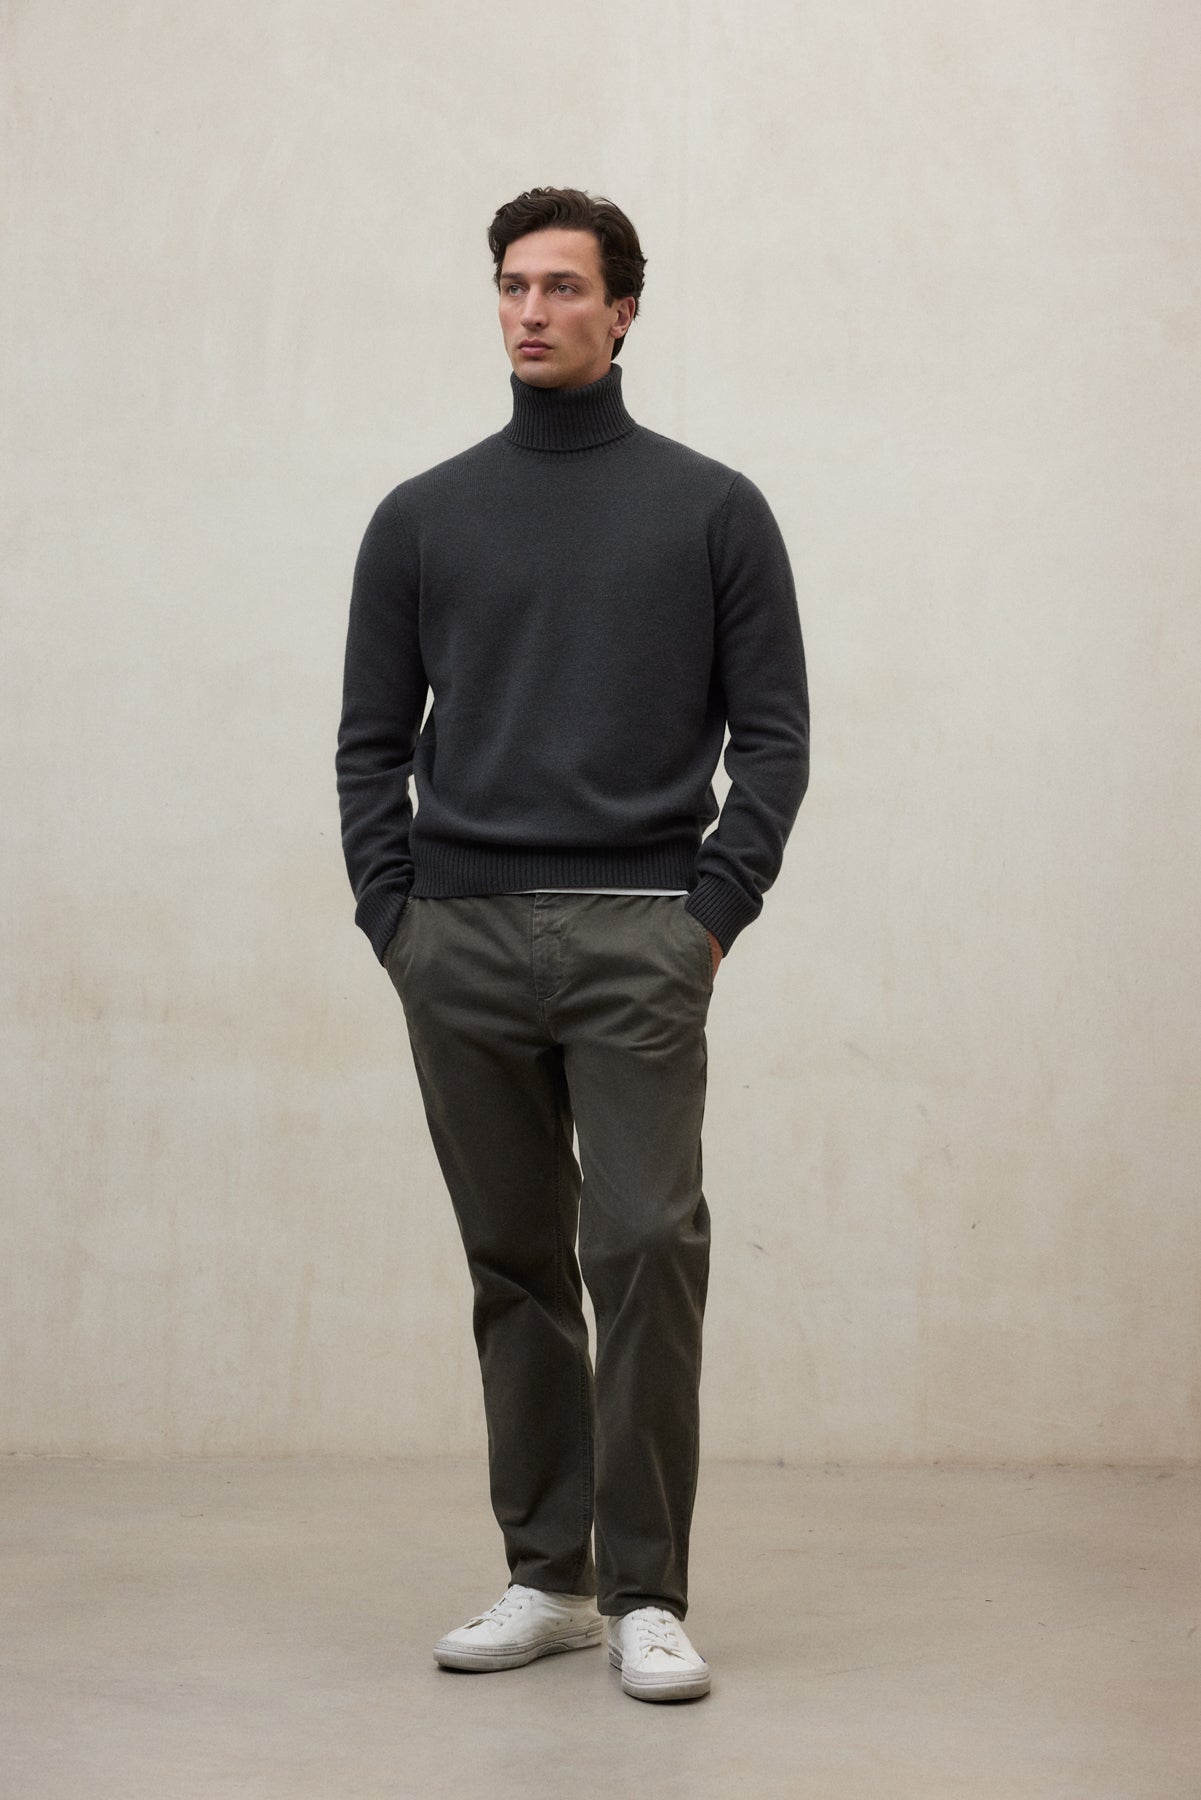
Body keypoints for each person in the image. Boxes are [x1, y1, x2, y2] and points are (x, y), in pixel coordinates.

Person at [336, 186, 809, 1704]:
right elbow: (369, 742)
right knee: (517, 1261)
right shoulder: (421, 516)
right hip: (458, 939)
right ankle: (549, 1579)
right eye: (510, 285)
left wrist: (710, 918)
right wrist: (396, 919)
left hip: (639, 934)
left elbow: (776, 738)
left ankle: (648, 1592)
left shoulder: (712, 509)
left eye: (560, 286)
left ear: (623, 311)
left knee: (647, 1244)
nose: (529, 310)